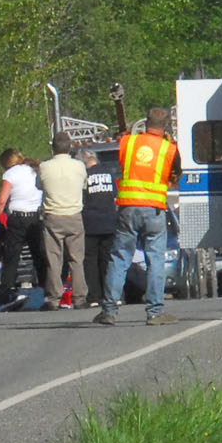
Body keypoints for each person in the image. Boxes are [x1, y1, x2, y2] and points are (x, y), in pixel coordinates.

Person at [94, 106, 182, 326]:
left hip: (128, 207)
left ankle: (109, 311)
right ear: (166, 126)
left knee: (120, 257)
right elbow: (175, 175)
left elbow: (123, 160)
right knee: (155, 260)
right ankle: (154, 313)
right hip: (153, 210)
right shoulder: (169, 149)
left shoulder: (129, 143)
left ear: (145, 123)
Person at [37, 133, 88, 308]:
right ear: (70, 147)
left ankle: (53, 298)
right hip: (74, 215)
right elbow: (84, 185)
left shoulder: (44, 167)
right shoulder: (79, 166)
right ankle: (80, 297)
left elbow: (39, 186)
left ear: (53, 148)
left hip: (53, 216)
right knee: (76, 260)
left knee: (54, 260)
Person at [0, 148, 48, 307]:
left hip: (18, 218)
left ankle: (6, 291)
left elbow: (2, 200)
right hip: (36, 217)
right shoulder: (33, 170)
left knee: (12, 256)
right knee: (39, 255)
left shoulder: (10, 174)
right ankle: (47, 289)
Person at [81, 145, 119, 309]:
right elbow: (114, 195)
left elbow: (81, 199)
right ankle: (111, 295)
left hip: (90, 222)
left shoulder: (84, 176)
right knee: (108, 260)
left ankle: (94, 297)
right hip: (109, 222)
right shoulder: (109, 174)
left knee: (90, 261)